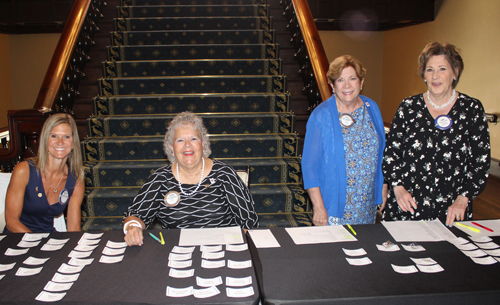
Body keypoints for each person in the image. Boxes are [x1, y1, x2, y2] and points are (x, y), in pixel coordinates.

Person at [382, 42, 490, 226]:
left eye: (442, 69)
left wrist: (463, 199)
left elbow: (480, 162)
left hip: (452, 212)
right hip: (406, 207)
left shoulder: (471, 109)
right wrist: (398, 188)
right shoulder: (408, 107)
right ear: (423, 75)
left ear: (455, 72)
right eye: (429, 69)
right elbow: (391, 154)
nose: (435, 76)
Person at [123, 111, 259, 246]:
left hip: (221, 250)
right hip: (175, 251)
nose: (187, 144)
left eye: (193, 138)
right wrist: (132, 227)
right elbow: (135, 214)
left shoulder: (224, 174)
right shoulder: (160, 179)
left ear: (203, 143)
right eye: (180, 140)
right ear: (171, 147)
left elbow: (249, 220)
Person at [302, 55, 386, 226]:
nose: (347, 85)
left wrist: (382, 189)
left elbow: (383, 154)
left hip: (367, 206)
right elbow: (309, 166)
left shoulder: (372, 108)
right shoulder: (321, 115)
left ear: (361, 83)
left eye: (352, 79)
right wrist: (318, 207)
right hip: (333, 210)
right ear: (332, 85)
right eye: (340, 80)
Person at [3, 113, 85, 233]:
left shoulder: (76, 179)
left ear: (73, 143)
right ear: (45, 140)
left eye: (66, 137)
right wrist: (37, 245)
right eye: (54, 136)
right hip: (17, 238)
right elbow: (12, 222)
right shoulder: (24, 170)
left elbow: (74, 229)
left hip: (47, 238)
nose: (60, 142)